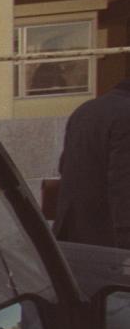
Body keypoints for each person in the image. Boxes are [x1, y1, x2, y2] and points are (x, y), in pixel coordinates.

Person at [53, 77, 130, 248]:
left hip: (71, 230)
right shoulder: (126, 115)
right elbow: (123, 181)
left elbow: (64, 166)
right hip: (108, 239)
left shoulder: (84, 110)